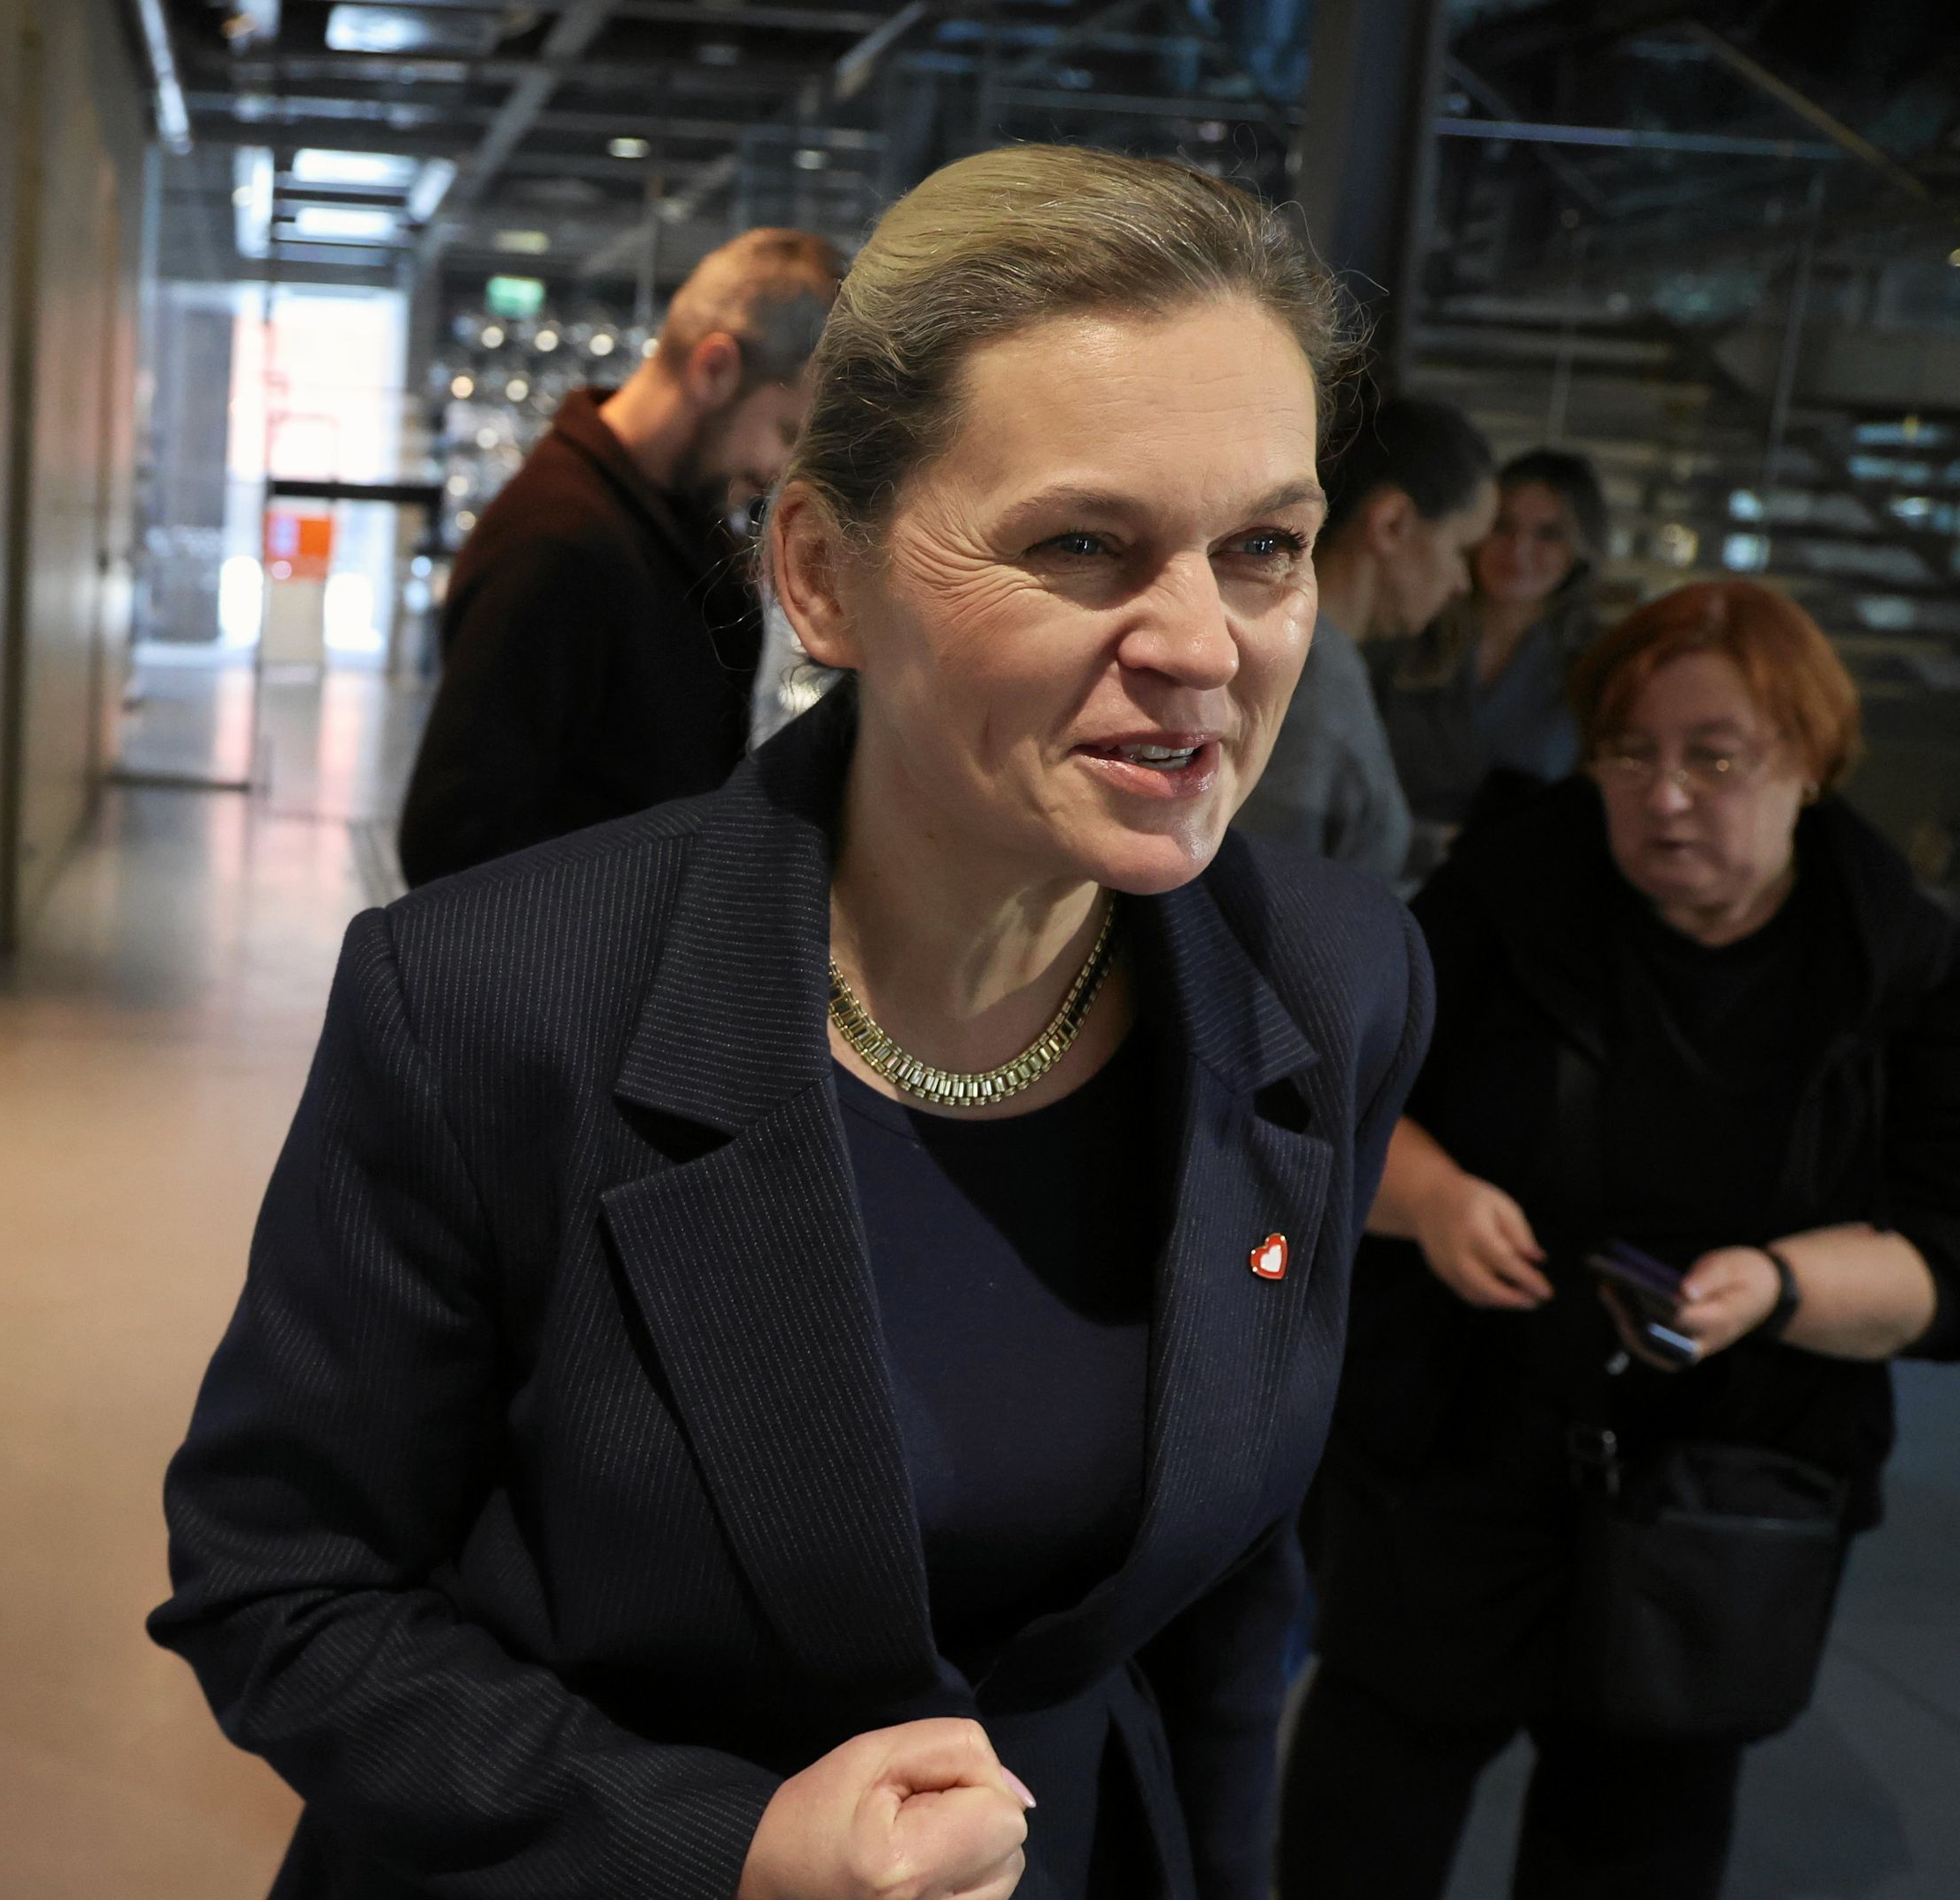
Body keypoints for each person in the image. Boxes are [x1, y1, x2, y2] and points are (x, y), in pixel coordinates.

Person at [154, 146, 1429, 1900]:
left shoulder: (1332, 982)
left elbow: (1226, 1588)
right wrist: (727, 1844)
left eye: (1263, 547)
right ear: (823, 576)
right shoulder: (495, 1003)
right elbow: (284, 1586)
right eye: (1083, 544)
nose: (1205, 644)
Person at [1282, 579, 1960, 1900]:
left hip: (1724, 1485)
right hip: (1460, 1447)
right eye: (1630, 753)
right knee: (1366, 1812)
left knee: (1641, 1836)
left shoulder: (1897, 961)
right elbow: (1334, 1109)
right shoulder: (1509, 893)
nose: (1666, 797)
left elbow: (1949, 1257)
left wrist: (1780, 1286)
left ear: (1811, 762)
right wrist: (1434, 1199)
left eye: (1717, 758)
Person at [397, 227, 844, 887]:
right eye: (785, 431)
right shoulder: (559, 542)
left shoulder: (666, 518)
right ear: (714, 369)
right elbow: (452, 839)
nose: (778, 470)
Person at [1231, 388, 1493, 886]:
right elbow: (1264, 886)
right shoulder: (1308, 671)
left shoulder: (1325, 661)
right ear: (1391, 524)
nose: (1463, 581)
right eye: (1461, 549)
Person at [1371, 448, 1613, 871]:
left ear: (1579, 549)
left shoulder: (1597, 663)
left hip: (1521, 886)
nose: (1518, 550)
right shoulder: (1409, 628)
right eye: (1503, 526)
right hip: (1380, 871)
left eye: (1548, 534)